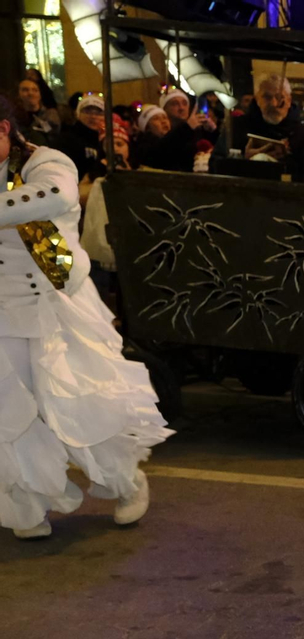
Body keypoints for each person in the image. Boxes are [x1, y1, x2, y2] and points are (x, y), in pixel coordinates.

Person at [0, 96, 170, 539]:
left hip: (57, 302)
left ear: (4, 130)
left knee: (84, 404)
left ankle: (126, 483)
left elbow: (51, 198)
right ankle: (27, 503)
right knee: (11, 412)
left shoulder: (46, 161)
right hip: (4, 311)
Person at [231, 73, 304, 181]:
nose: (274, 104)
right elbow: (216, 165)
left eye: (279, 97)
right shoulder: (238, 127)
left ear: (289, 100)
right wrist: (244, 160)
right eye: (267, 97)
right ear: (256, 99)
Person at [57, 93, 107, 180]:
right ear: (78, 114)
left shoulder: (108, 141)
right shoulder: (66, 140)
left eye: (99, 113)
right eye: (87, 111)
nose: (93, 116)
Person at [16, 77, 57, 148]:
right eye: (25, 90)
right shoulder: (15, 117)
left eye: (35, 90)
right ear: (18, 94)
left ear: (40, 94)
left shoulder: (50, 115)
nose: (31, 93)